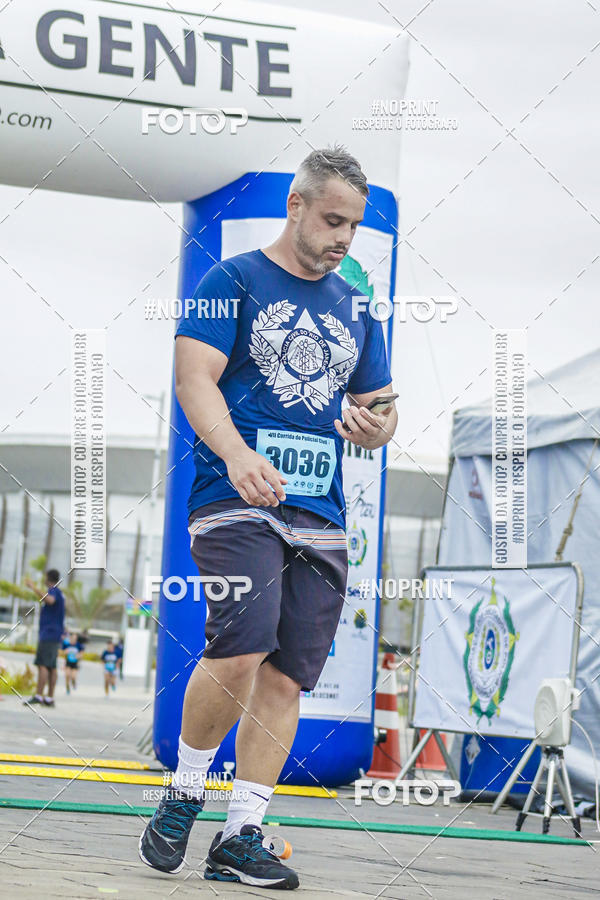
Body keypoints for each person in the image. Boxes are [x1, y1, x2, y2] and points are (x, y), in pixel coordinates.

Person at [139, 146, 398, 889]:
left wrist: (379, 426)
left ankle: (240, 834)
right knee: (242, 643)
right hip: (234, 499)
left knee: (288, 678)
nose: (344, 237)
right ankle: (186, 791)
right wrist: (237, 453)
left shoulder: (354, 304)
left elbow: (381, 403)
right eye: (331, 220)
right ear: (296, 206)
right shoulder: (234, 280)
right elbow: (195, 378)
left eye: (353, 224)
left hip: (319, 512)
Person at [23, 568, 65, 708]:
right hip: (55, 634)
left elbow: (50, 600)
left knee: (43, 665)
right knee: (52, 666)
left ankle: (39, 696)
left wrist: (33, 587)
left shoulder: (53, 591)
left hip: (49, 633)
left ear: (48, 579)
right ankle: (49, 698)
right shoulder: (60, 593)